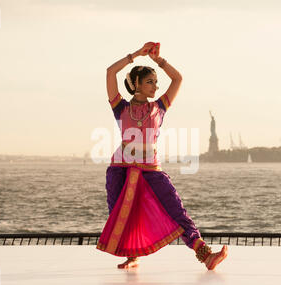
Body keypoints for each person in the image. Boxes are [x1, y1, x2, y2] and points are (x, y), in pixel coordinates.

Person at [96, 42, 228, 270]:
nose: (155, 86)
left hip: (151, 169)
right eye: (150, 82)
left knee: (176, 209)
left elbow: (178, 79)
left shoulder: (160, 107)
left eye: (156, 82)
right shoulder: (121, 107)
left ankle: (205, 255)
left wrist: (159, 61)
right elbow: (110, 72)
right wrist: (136, 55)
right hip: (121, 168)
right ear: (136, 84)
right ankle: (132, 255)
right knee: (122, 214)